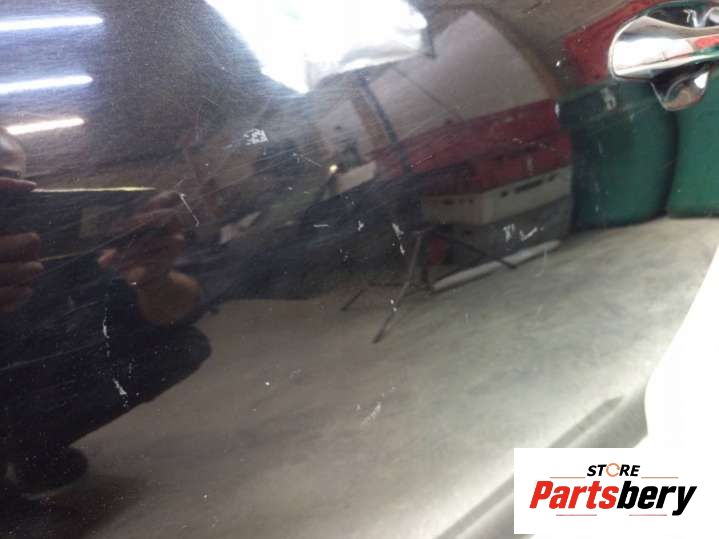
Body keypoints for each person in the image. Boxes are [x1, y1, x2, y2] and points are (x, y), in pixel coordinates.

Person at [0, 129, 211, 534]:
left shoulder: (43, 249)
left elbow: (173, 313)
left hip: (20, 381)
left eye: (9, 185)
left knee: (177, 346)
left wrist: (155, 277)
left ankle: (33, 450)